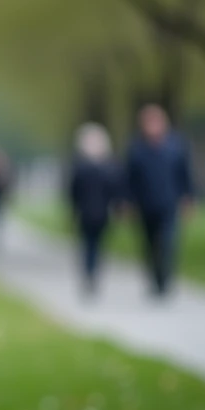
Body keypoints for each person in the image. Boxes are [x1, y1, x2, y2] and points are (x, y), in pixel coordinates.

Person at [125, 104, 195, 299]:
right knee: (149, 245)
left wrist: (188, 197)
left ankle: (165, 280)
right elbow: (129, 178)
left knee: (167, 243)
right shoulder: (137, 149)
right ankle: (154, 280)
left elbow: (185, 174)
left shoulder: (176, 147)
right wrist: (127, 201)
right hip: (145, 205)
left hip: (169, 203)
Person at [68, 123, 120, 298]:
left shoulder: (110, 166)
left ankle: (94, 273)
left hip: (104, 213)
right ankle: (89, 274)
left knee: (99, 246)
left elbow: (115, 190)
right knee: (88, 246)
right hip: (85, 213)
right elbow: (73, 191)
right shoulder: (80, 166)